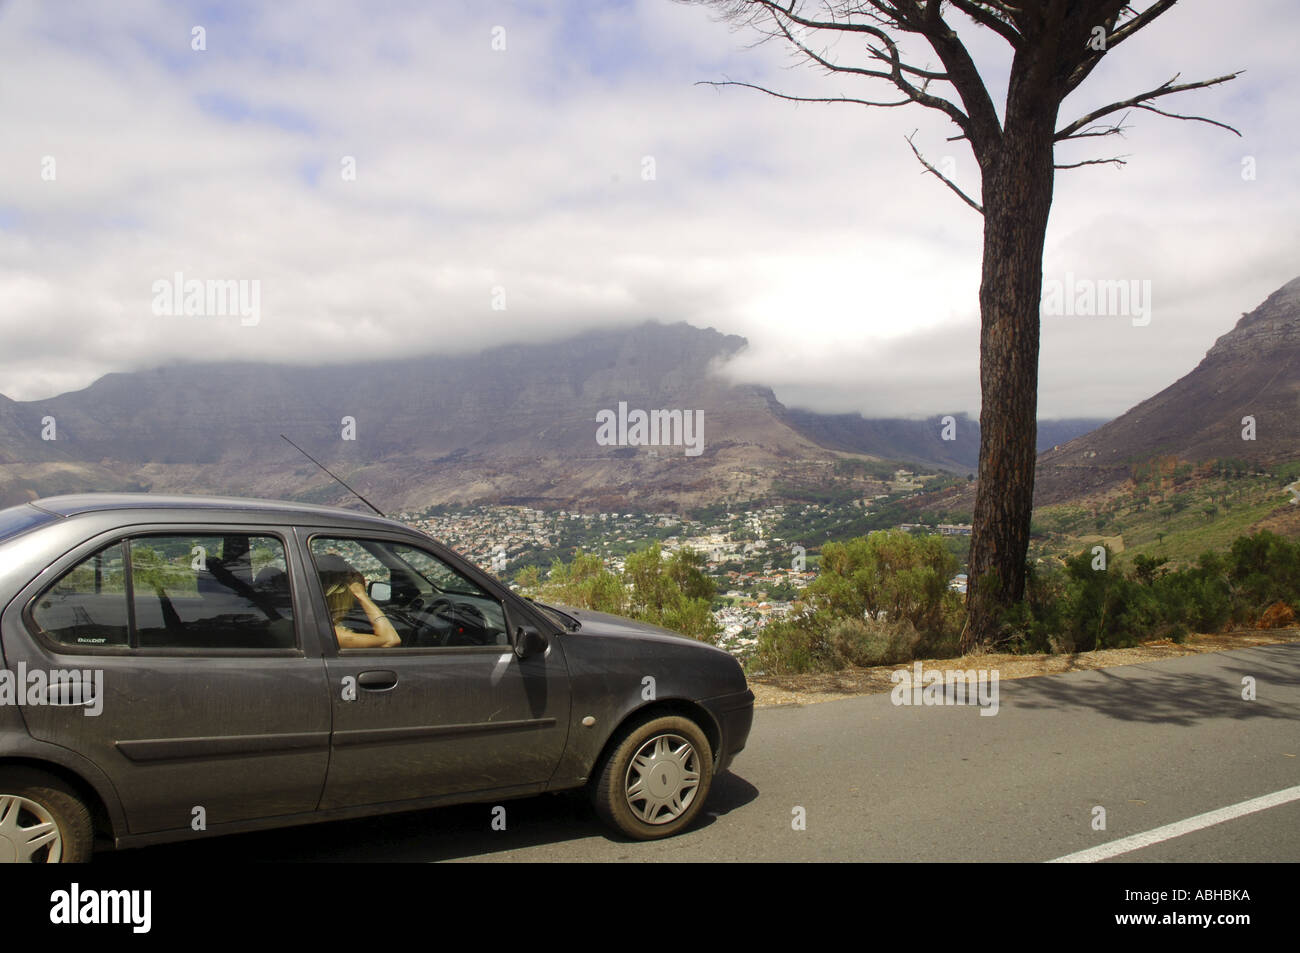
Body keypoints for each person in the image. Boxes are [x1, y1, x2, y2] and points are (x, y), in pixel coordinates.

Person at [316, 553, 402, 648]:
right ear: (340, 591)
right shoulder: (329, 633)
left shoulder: (317, 622)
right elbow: (391, 640)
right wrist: (361, 595)